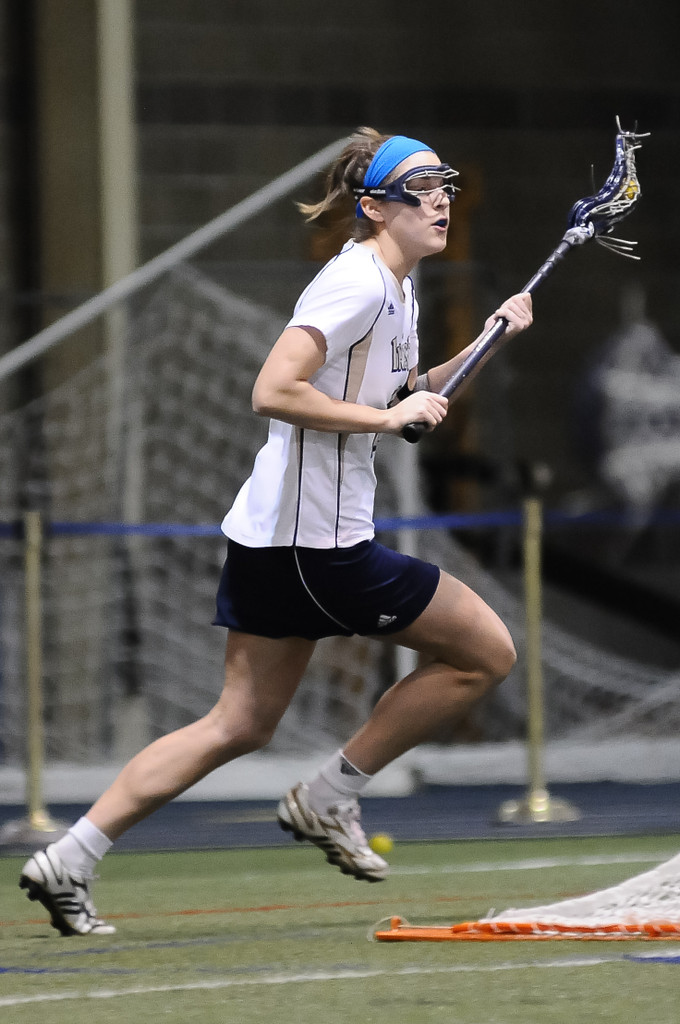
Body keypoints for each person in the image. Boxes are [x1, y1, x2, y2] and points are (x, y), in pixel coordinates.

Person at [20, 127, 533, 935]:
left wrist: (488, 340)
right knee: (486, 652)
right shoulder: (356, 283)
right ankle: (329, 796)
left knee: (238, 723)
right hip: (315, 548)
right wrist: (386, 416)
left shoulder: (398, 287)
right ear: (374, 206)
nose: (443, 199)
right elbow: (272, 388)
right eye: (425, 186)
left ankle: (70, 856)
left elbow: (408, 393)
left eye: (447, 183)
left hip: (279, 540)